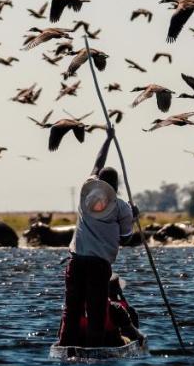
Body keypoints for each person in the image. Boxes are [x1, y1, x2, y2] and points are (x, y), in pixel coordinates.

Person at [57, 127, 137, 348]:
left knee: (71, 310)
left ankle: (66, 347)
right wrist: (133, 215)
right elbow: (126, 239)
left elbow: (97, 163)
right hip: (98, 265)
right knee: (96, 310)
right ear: (116, 187)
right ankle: (95, 350)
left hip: (76, 261)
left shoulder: (85, 191)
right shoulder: (121, 207)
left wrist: (107, 139)